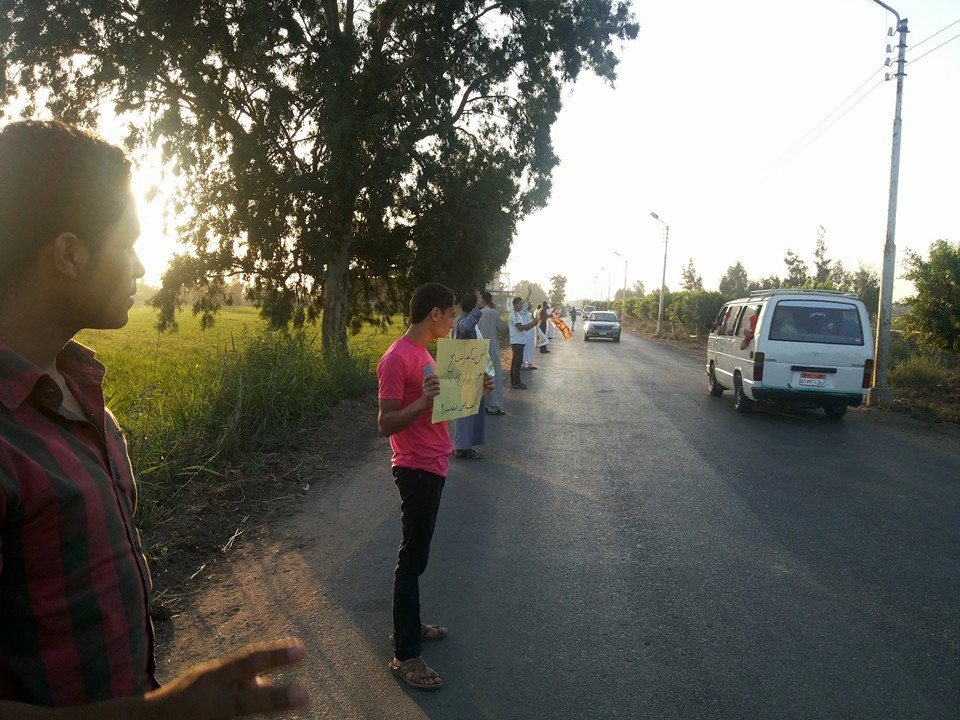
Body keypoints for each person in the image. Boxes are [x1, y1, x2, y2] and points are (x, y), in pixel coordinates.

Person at [0, 120, 309, 716]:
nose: (141, 267)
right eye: (128, 244)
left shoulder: (77, 385)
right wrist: (158, 713)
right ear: (69, 254)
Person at [377, 283, 493, 691]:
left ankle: (409, 626)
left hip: (434, 463)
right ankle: (406, 654)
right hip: (416, 468)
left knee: (418, 556)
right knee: (412, 559)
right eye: (450, 314)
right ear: (434, 315)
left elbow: (443, 403)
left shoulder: (427, 353)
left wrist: (475, 389)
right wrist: (420, 403)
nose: (453, 321)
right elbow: (385, 423)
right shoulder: (396, 358)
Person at [451, 292, 487, 459]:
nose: (482, 301)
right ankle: (462, 447)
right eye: (479, 300)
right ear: (473, 305)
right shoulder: (464, 321)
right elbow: (466, 328)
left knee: (469, 409)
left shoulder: (464, 319)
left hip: (469, 369)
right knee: (465, 410)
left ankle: (464, 445)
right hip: (466, 371)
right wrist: (477, 310)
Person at [477, 291, 507, 415]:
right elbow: (503, 327)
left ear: (483, 300)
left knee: (482, 376)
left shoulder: (477, 313)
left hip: (479, 349)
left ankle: (483, 404)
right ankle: (493, 405)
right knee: (493, 376)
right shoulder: (492, 312)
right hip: (491, 348)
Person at [509, 297, 539, 389]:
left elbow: (524, 328)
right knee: (517, 362)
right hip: (517, 342)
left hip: (518, 341)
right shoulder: (515, 315)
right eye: (520, 304)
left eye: (522, 304)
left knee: (516, 362)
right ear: (515, 304)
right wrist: (533, 324)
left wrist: (532, 324)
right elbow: (520, 327)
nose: (522, 305)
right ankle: (516, 382)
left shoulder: (517, 314)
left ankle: (514, 381)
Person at [521, 299, 536, 369]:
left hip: (530, 335)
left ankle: (530, 363)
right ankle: (522, 364)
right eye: (525, 305)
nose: (526, 306)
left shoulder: (529, 313)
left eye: (528, 305)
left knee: (530, 348)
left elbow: (533, 323)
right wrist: (529, 294)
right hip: (524, 334)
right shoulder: (521, 313)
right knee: (524, 349)